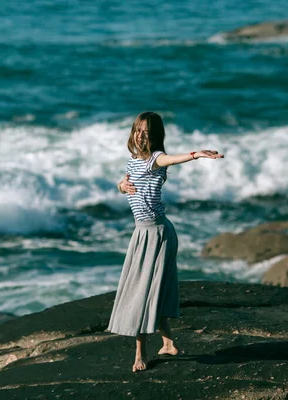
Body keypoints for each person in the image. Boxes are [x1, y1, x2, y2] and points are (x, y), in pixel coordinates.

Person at [107, 111, 224, 372]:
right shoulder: (133, 160)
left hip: (157, 234)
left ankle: (140, 354)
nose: (140, 134)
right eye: (137, 130)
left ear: (155, 136)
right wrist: (121, 186)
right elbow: (124, 182)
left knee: (143, 293)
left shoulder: (154, 159)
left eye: (146, 131)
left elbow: (170, 159)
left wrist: (195, 155)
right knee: (151, 291)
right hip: (142, 233)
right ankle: (169, 343)